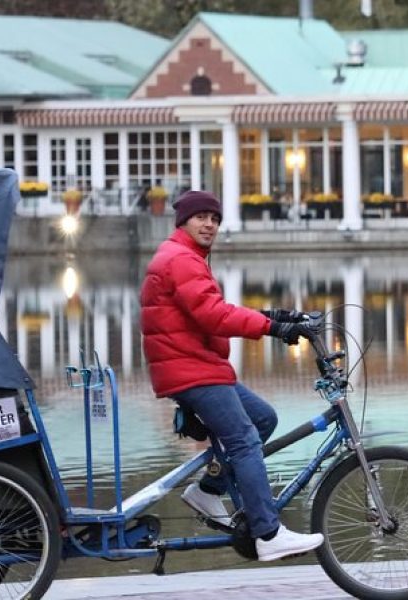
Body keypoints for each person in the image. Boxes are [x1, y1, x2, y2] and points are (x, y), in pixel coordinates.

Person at [139, 190, 324, 562]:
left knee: (262, 419)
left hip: (195, 365)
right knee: (243, 439)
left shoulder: (186, 256)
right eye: (201, 217)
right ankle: (268, 532)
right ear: (184, 222)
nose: (210, 224)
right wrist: (273, 329)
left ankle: (208, 491)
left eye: (215, 219)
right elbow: (214, 316)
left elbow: (210, 308)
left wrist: (278, 315)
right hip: (190, 369)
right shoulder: (181, 259)